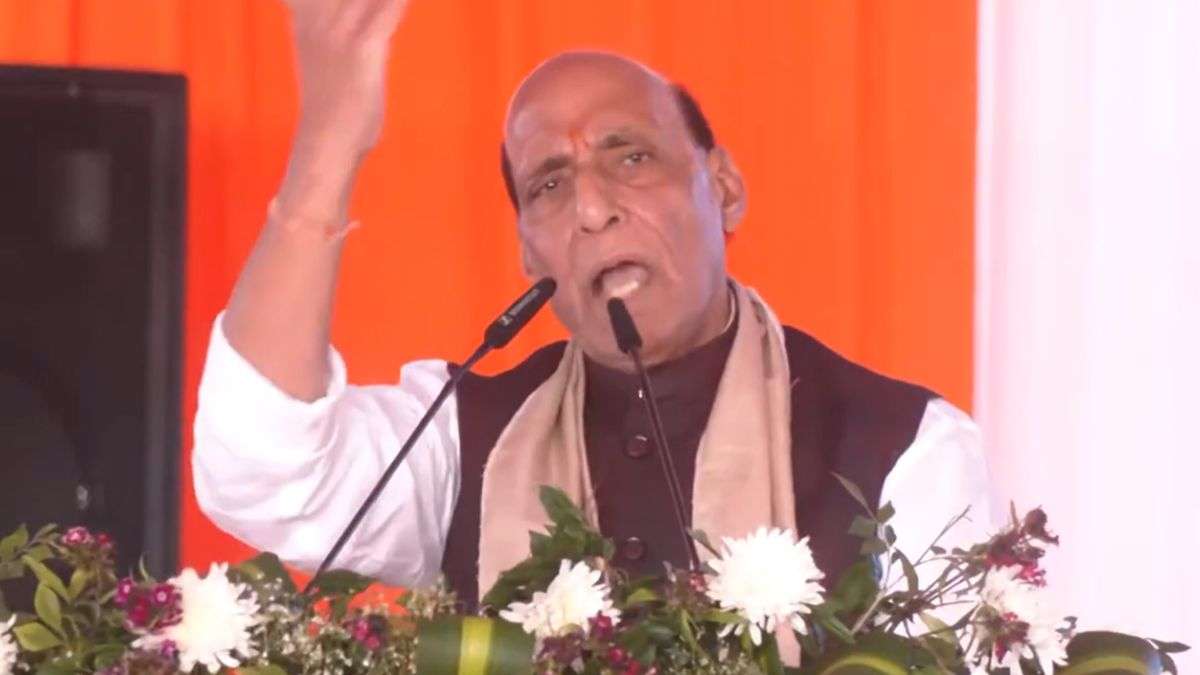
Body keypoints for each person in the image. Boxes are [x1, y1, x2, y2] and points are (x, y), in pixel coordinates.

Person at [192, 0, 992, 608]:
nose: (591, 208)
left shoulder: (903, 446)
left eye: (632, 158)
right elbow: (261, 469)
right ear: (527, 252)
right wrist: (330, 141)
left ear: (723, 188)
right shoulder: (464, 439)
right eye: (549, 184)